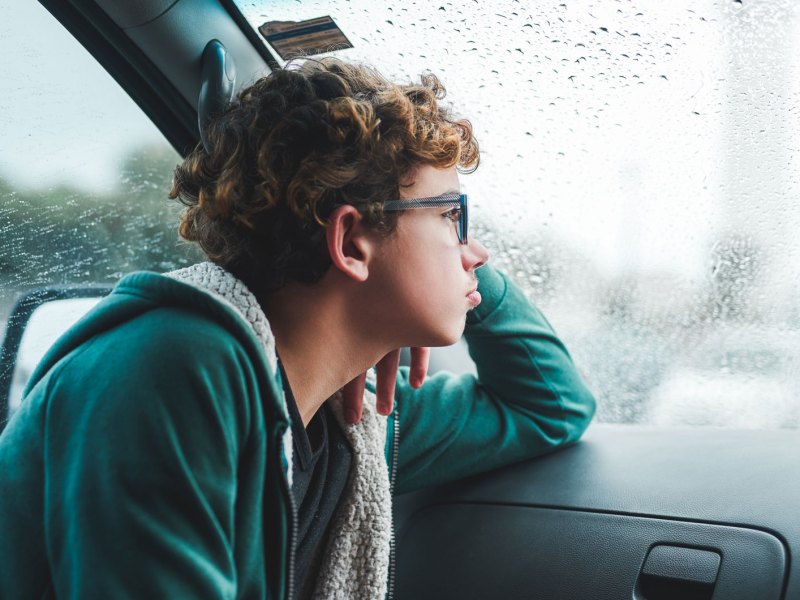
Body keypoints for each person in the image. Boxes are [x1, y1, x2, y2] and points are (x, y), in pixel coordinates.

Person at [0, 57, 596, 599]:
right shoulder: (172, 367)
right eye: (449, 217)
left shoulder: (355, 424)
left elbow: (552, 407)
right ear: (349, 242)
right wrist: (421, 294)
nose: (476, 251)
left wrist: (441, 293)